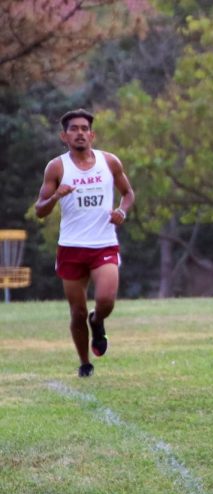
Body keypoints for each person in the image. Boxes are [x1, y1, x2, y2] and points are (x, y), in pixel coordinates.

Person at [35, 108, 135, 378]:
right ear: (63, 136)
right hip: (71, 247)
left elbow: (127, 193)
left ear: (92, 134)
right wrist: (56, 196)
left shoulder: (109, 162)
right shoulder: (57, 167)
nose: (79, 133)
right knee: (77, 312)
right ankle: (84, 362)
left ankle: (98, 320)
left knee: (106, 300)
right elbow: (40, 210)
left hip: (103, 244)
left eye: (84, 129)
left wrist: (121, 212)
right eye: (73, 129)